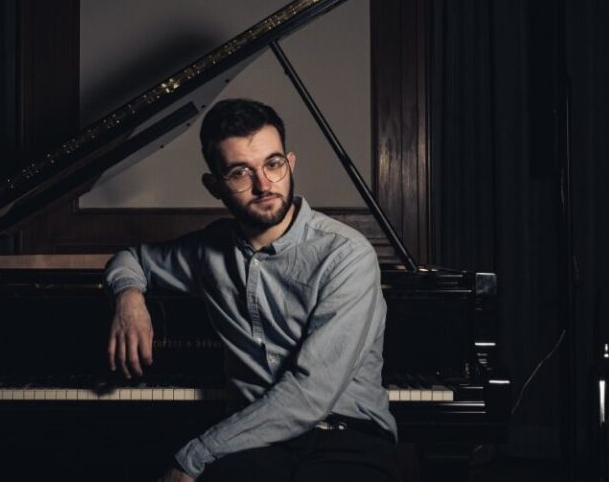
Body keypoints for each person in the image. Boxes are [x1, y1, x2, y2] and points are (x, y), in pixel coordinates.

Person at [104, 98, 400, 481]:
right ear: (214, 186)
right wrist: (129, 299)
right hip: (253, 447)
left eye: (273, 165)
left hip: (345, 439)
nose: (263, 186)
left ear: (290, 164)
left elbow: (310, 394)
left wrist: (192, 457)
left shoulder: (346, 254)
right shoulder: (208, 251)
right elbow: (131, 258)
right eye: (240, 173)